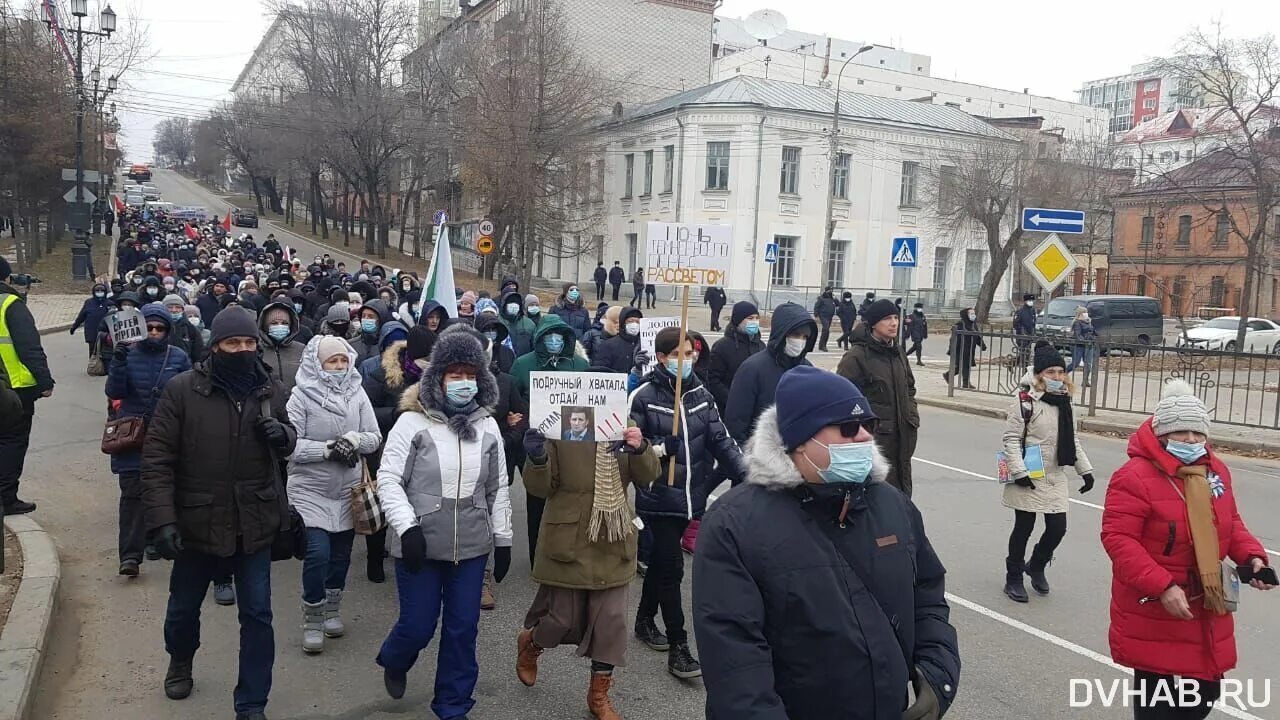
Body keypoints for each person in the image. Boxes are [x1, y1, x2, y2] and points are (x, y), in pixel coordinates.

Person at [692, 366, 960, 720]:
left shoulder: (893, 505)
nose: (864, 436)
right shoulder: (734, 524)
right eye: (848, 428)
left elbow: (927, 597)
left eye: (868, 425)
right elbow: (735, 659)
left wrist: (937, 676)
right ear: (800, 440)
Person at [141, 306, 296, 720]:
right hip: (197, 522)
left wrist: (284, 436)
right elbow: (156, 460)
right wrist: (163, 520)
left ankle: (251, 703)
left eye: (249, 343)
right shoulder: (181, 391)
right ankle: (180, 658)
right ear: (215, 348)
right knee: (183, 607)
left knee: (259, 614)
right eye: (233, 343)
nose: (243, 350)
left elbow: (289, 439)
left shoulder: (270, 390)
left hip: (254, 523)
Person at [1102, 380, 1275, 720]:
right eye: (1182, 433)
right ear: (1163, 433)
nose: (1193, 441)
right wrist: (1163, 586)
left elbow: (1231, 523)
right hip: (1155, 605)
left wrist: (1252, 558)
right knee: (1157, 698)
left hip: (1206, 602)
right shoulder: (1133, 476)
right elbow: (1118, 540)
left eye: (1198, 434)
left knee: (1206, 691)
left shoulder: (1214, 470)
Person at [374, 328, 514, 717]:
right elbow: (388, 479)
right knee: (418, 626)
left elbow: (498, 486)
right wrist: (407, 527)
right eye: (456, 375)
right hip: (420, 543)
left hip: (470, 547)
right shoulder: (412, 424)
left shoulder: (487, 427)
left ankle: (453, 705)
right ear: (438, 377)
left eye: (471, 375)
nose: (464, 383)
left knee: (461, 630)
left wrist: (503, 539)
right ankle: (395, 657)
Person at [515, 423, 659, 720]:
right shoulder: (559, 426)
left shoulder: (624, 427)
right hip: (570, 537)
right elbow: (540, 487)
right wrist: (538, 458)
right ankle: (532, 643)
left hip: (613, 535)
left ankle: (599, 695)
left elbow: (649, 477)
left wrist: (640, 448)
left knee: (611, 622)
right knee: (561, 619)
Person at [630, 326, 747, 680]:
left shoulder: (700, 394)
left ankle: (643, 620)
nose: (686, 360)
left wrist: (747, 474)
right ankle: (679, 646)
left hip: (690, 500)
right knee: (673, 568)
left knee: (664, 567)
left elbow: (721, 440)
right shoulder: (644, 396)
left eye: (690, 353)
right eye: (678, 354)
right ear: (662, 357)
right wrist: (662, 447)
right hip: (658, 497)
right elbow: (629, 449)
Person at [286, 335, 381, 654]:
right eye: (332, 361)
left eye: (343, 360)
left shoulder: (357, 392)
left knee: (340, 557)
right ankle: (312, 616)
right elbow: (290, 447)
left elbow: (374, 438)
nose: (339, 366)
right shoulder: (300, 396)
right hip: (310, 490)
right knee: (317, 554)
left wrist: (354, 440)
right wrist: (328, 450)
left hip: (347, 491)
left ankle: (331, 610)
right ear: (318, 363)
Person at [1000, 342, 1095, 603]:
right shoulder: (1024, 401)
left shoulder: (1065, 402)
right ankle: (1014, 577)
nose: (1056, 377)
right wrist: (1019, 471)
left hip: (1055, 473)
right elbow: (1010, 439)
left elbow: (1072, 439)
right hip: (1029, 471)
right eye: (1050, 372)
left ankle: (1037, 564)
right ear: (1039, 374)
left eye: (1060, 372)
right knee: (1024, 526)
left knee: (1058, 527)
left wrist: (1085, 470)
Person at [105, 304, 191, 577]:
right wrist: (117, 362)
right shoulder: (127, 355)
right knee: (132, 494)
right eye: (150, 327)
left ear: (167, 331)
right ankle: (130, 555)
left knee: (167, 489)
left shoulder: (178, 357)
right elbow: (115, 390)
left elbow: (190, 394)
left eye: (160, 328)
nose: (154, 332)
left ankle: (156, 540)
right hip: (133, 436)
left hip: (167, 434)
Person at [360, 325, 436, 584]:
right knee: (382, 501)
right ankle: (374, 556)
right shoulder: (383, 374)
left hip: (421, 450)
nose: (428, 364)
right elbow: (366, 411)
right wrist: (394, 415)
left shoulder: (436, 376)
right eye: (424, 358)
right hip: (384, 446)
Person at [836, 298, 920, 497]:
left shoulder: (898, 352)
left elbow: (909, 387)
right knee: (878, 500)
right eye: (887, 319)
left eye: (895, 318)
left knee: (902, 499)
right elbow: (843, 400)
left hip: (903, 438)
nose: (894, 323)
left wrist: (911, 414)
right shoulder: (856, 357)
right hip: (876, 441)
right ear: (873, 324)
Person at [0, 257, 54, 515]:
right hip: (13, 389)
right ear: (7, 278)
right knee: (12, 442)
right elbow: (29, 347)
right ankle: (6, 498)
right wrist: (45, 381)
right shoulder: (11, 304)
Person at [724, 302, 816, 446]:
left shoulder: (807, 369)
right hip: (759, 458)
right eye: (796, 335)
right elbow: (736, 423)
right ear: (782, 333)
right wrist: (744, 462)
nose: (800, 341)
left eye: (805, 337)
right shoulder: (752, 368)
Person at [705, 301, 764, 415]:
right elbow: (713, 380)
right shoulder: (722, 346)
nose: (755, 322)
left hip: (755, 411)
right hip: (728, 410)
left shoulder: (761, 346)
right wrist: (732, 401)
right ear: (738, 321)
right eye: (750, 318)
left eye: (757, 318)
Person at [258, 301, 306, 396]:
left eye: (284, 323)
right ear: (265, 326)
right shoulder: (257, 350)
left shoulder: (302, 349)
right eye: (274, 323)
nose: (279, 326)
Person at [944, 308, 985, 389]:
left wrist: (982, 345)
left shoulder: (973, 324)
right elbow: (954, 339)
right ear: (966, 315)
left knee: (963, 366)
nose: (973, 315)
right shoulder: (960, 325)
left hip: (970, 349)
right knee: (964, 366)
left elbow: (977, 336)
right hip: (960, 349)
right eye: (971, 314)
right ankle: (965, 383)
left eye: (974, 313)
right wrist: (952, 349)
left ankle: (949, 375)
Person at [594, 306, 643, 374]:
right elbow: (599, 372)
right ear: (623, 323)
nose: (634, 324)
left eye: (638, 322)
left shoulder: (643, 345)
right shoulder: (607, 345)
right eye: (630, 321)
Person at [72, 283, 114, 359]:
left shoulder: (110, 303)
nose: (99, 292)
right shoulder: (89, 302)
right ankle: (93, 367)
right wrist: (74, 327)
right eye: (97, 290)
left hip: (106, 332)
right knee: (93, 351)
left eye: (102, 290)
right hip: (92, 331)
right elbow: (82, 316)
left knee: (105, 351)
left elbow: (115, 318)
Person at [163, 294, 205, 361]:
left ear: (182, 310)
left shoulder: (190, 329)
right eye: (170, 307)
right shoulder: (159, 327)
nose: (174, 310)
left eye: (178, 307)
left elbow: (198, 352)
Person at [1064, 306, 1097, 387]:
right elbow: (1078, 335)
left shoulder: (1088, 321)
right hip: (1078, 345)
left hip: (1089, 345)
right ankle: (1064, 374)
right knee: (1076, 363)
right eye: (1084, 313)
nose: (1086, 314)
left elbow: (1092, 331)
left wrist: (1094, 336)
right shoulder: (1077, 323)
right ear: (1080, 314)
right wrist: (1085, 341)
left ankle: (1085, 380)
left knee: (1088, 363)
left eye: (1086, 312)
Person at [499, 290, 536, 356]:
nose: (514, 305)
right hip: (503, 362)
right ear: (504, 304)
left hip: (523, 362)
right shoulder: (497, 322)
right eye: (511, 302)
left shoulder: (529, 324)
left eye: (516, 303)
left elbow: (534, 347)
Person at [1014, 292, 1038, 364]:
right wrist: (1022, 332)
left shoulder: (1033, 311)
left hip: (1029, 336)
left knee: (1025, 354)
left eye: (1032, 300)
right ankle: (1026, 369)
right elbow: (1016, 324)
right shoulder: (1020, 311)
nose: (1031, 302)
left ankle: (1012, 363)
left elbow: (1033, 323)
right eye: (1029, 300)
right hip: (1022, 336)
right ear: (1025, 301)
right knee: (1025, 354)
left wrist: (1033, 333)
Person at [812, 286, 838, 352]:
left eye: (832, 290)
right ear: (826, 291)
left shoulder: (832, 298)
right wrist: (816, 314)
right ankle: (823, 346)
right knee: (826, 329)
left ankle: (822, 345)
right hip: (823, 315)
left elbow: (838, 304)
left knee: (826, 330)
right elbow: (817, 306)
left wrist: (835, 298)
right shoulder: (821, 298)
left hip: (830, 316)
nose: (831, 292)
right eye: (830, 290)